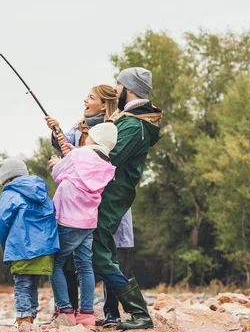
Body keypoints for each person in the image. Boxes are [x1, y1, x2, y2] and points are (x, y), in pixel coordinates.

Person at [44, 84, 135, 318]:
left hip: (84, 211)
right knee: (82, 263)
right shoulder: (80, 127)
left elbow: (74, 164)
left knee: (104, 258)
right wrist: (59, 134)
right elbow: (88, 160)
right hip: (88, 213)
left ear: (104, 104)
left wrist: (70, 156)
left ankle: (97, 312)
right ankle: (82, 313)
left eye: (91, 97)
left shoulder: (117, 126)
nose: (85, 100)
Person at [92, 67, 162, 330]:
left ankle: (139, 314)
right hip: (110, 193)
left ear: (129, 89)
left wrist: (79, 156)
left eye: (118, 86)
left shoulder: (135, 125)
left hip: (113, 194)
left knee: (99, 253)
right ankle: (118, 312)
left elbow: (109, 158)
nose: (114, 90)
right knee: (105, 252)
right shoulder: (132, 120)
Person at [47, 122, 118, 327]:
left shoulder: (79, 156)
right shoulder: (106, 163)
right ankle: (86, 314)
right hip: (88, 221)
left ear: (93, 138)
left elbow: (57, 174)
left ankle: (65, 312)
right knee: (85, 265)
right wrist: (72, 153)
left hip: (68, 218)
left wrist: (57, 162)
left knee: (54, 263)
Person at [0, 157, 60, 328]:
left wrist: (5, 244)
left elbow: (0, 222)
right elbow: (51, 218)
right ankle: (31, 318)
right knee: (32, 284)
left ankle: (24, 319)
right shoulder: (41, 192)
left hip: (19, 248)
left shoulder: (9, 194)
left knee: (22, 284)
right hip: (44, 250)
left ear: (6, 178)